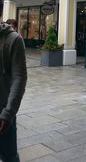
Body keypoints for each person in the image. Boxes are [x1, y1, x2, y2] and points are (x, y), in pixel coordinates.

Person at [0, 21, 27, 162]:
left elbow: (19, 78)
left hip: (2, 114)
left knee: (9, 156)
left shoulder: (14, 39)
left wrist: (8, 113)